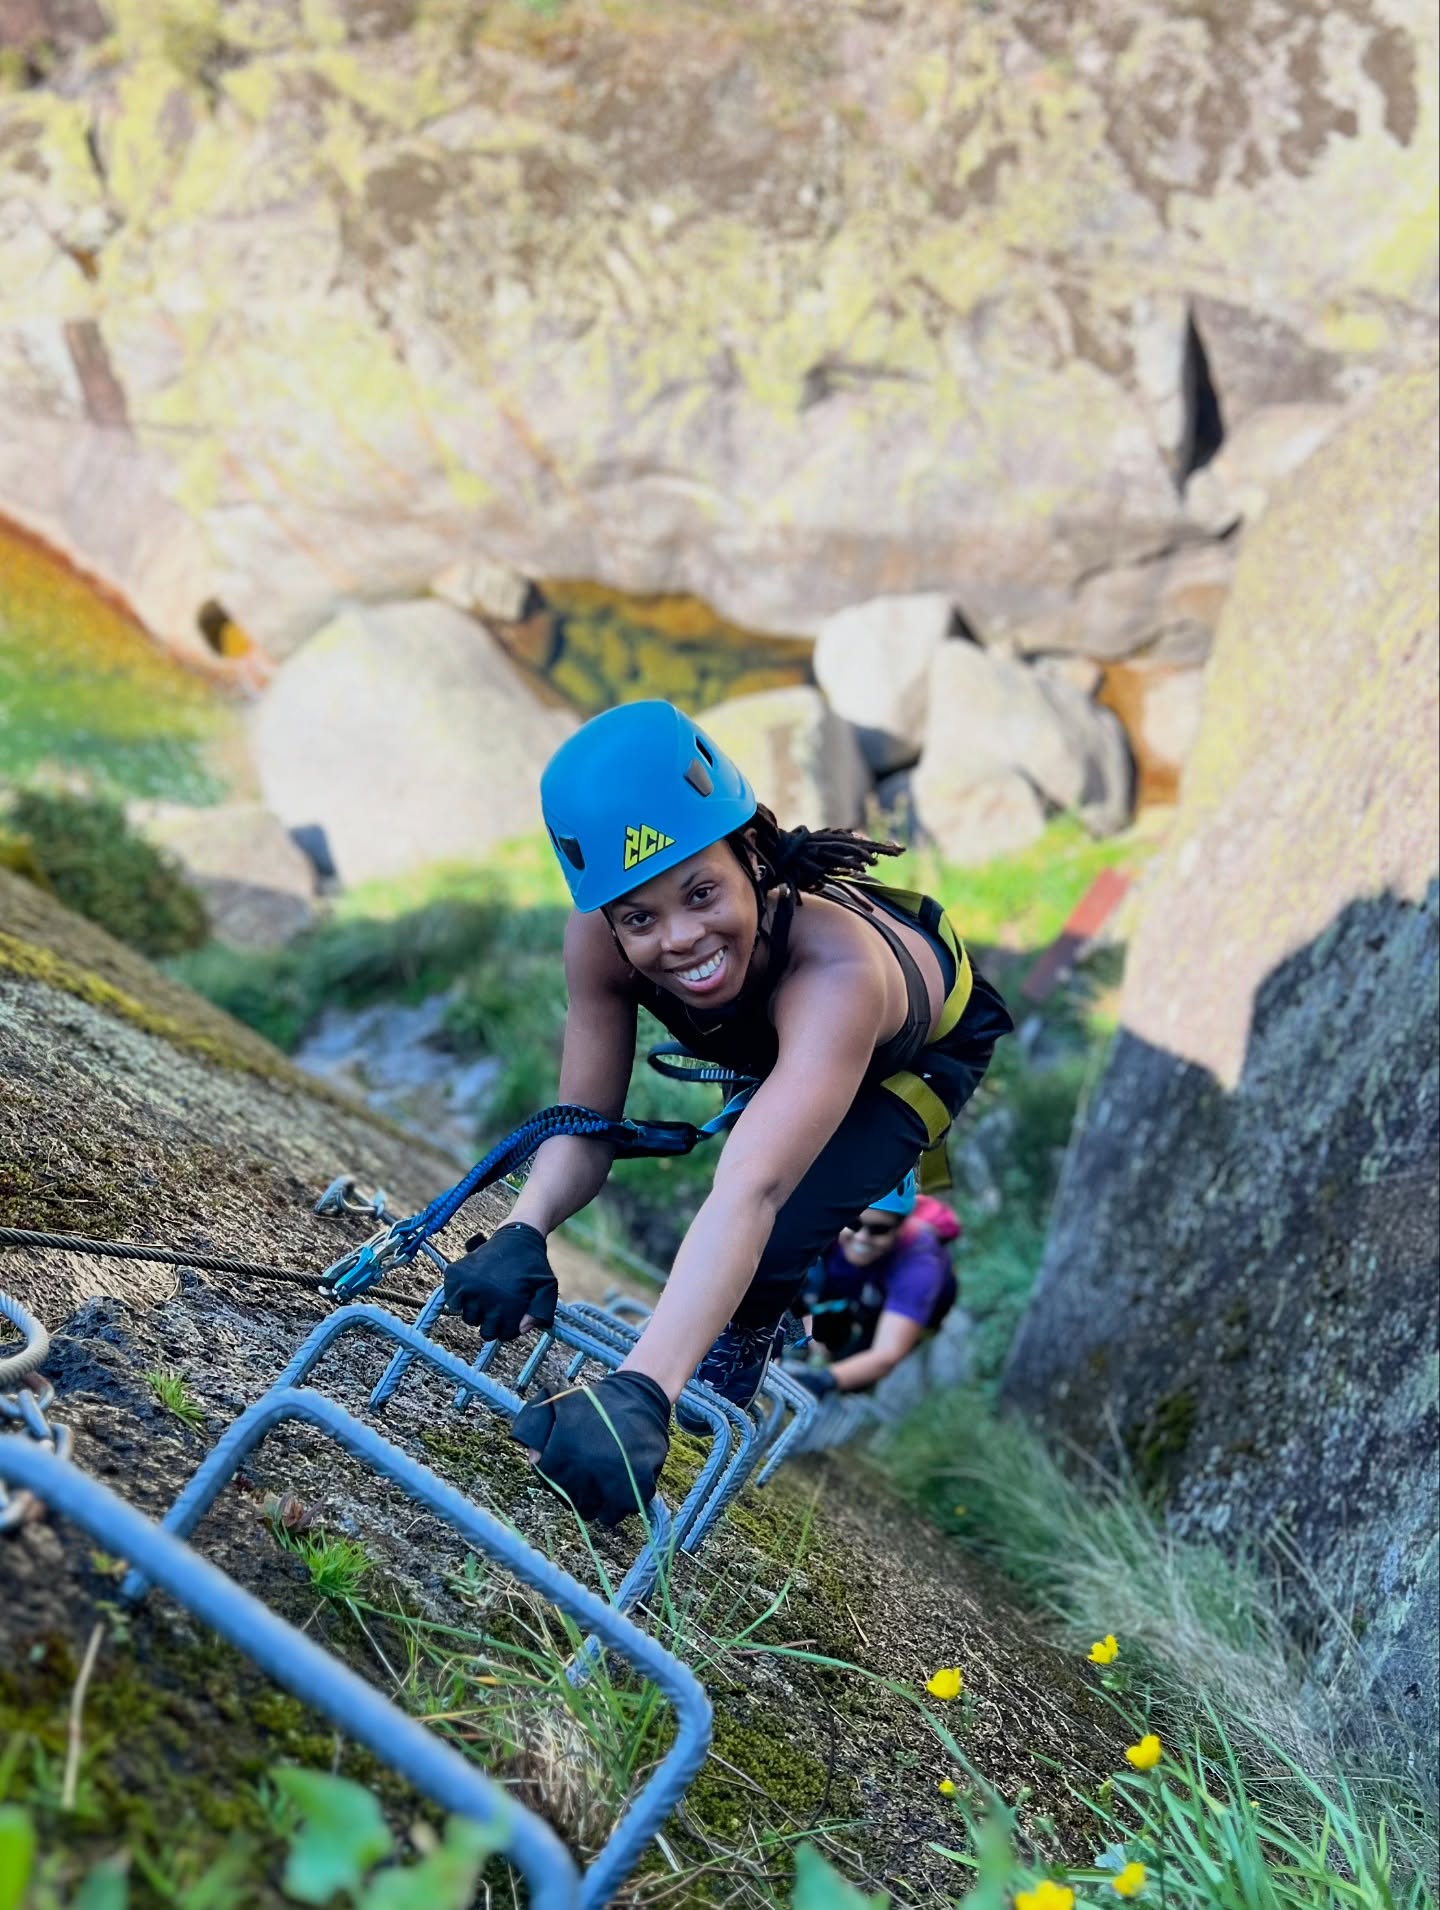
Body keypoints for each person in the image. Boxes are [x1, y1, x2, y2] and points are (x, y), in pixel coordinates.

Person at [443, 700, 1012, 1524]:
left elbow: (751, 1189)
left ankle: (745, 1338)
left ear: (751, 852)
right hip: (783, 1027)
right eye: (640, 916)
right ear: (606, 914)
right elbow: (584, 1123)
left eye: (701, 891)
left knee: (774, 1234)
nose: (679, 939)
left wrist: (644, 1391)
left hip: (913, 1054)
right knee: (742, 1205)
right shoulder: (598, 939)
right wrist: (523, 1228)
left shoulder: (836, 968)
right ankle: (705, 1332)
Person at [791, 1171, 961, 1398]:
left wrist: (823, 1380)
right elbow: (802, 1288)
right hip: (853, 1280)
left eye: (879, 1229)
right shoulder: (831, 1226)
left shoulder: (920, 1267)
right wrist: (814, 1342)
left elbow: (886, 1354)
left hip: (900, 1304)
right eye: (855, 1224)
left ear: (900, 1228)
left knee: (854, 1372)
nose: (862, 1237)